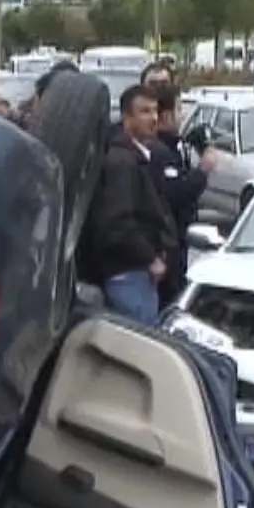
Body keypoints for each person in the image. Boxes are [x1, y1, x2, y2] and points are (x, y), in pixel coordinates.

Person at [83, 84, 176, 326]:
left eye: (155, 111)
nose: (153, 118)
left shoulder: (136, 157)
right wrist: (150, 259)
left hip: (136, 276)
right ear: (126, 117)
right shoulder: (122, 161)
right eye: (144, 112)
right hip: (129, 277)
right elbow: (117, 222)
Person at [144, 82, 217, 306]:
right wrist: (202, 171)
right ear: (165, 116)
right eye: (178, 109)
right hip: (165, 247)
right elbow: (175, 193)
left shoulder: (174, 147)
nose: (182, 115)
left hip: (177, 244)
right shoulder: (158, 151)